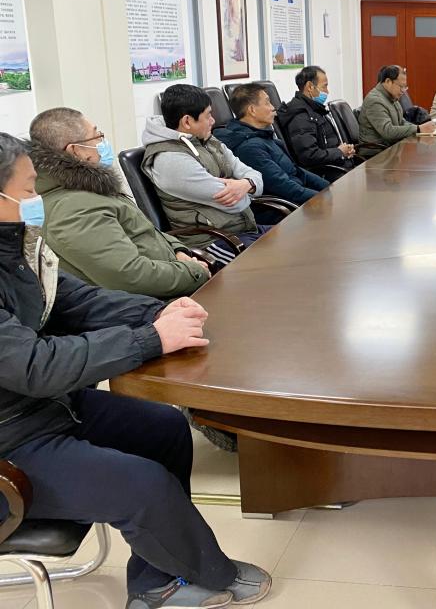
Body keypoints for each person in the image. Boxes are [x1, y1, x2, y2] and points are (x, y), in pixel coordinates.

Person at [0, 133, 271, 609]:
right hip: (11, 443)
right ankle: (206, 573)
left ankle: (153, 580)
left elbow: (73, 300)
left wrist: (157, 314)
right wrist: (150, 339)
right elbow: (35, 365)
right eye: (27, 190)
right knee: (143, 485)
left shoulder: (15, 250)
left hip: (40, 409)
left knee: (164, 428)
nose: (36, 198)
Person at [28, 108, 209, 300]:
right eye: (97, 136)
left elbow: (144, 232)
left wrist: (178, 250)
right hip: (155, 305)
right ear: (76, 150)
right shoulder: (74, 208)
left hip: (171, 281)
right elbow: (129, 277)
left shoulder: (87, 190)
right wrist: (193, 272)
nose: (102, 142)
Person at [142, 84, 268, 267]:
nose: (213, 120)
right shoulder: (170, 160)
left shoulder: (206, 140)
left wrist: (246, 183)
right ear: (187, 122)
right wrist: (246, 186)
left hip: (242, 229)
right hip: (211, 242)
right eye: (208, 115)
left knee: (296, 242)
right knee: (280, 262)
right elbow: (237, 203)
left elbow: (256, 176)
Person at [216, 82, 330, 206]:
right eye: (267, 103)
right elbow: (285, 188)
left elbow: (297, 172)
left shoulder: (263, 137)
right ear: (252, 110)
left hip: (298, 199)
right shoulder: (250, 148)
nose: (273, 107)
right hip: (286, 208)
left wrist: (329, 188)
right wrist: (325, 199)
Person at [277, 65, 357, 182]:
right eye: (324, 86)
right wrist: (339, 152)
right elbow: (309, 155)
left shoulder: (314, 110)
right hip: (325, 175)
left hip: (337, 167)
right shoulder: (301, 116)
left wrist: (344, 151)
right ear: (310, 87)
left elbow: (325, 144)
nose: (327, 91)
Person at [359, 64, 436, 154]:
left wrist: (422, 128)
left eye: (405, 87)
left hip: (391, 149)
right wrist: (418, 129)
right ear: (388, 81)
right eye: (401, 86)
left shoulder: (392, 98)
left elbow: (401, 122)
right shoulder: (375, 101)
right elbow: (388, 131)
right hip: (376, 154)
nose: (403, 91)